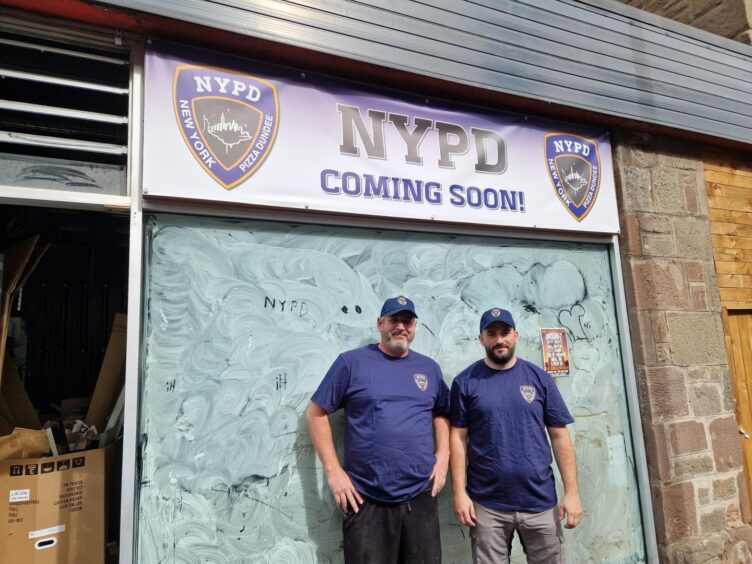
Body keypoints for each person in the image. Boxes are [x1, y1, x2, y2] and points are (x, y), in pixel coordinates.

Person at [306, 296, 450, 564]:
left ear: (415, 326)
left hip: (419, 496)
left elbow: (442, 412)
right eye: (394, 320)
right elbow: (316, 414)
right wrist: (334, 472)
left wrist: (443, 456)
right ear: (379, 324)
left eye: (407, 321)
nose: (400, 327)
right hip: (365, 498)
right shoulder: (351, 363)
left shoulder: (429, 369)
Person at [449, 307, 582, 564]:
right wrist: (459, 493)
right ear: (481, 339)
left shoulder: (539, 378)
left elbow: (559, 436)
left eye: (505, 332)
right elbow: (458, 438)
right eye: (492, 333)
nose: (500, 339)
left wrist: (572, 492)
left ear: (516, 335)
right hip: (487, 504)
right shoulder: (465, 382)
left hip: (540, 501)